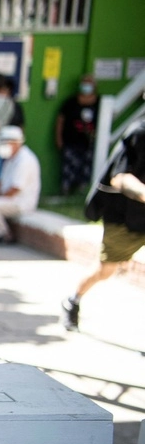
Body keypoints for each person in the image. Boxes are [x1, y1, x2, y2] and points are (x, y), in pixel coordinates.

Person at [62, 119, 145, 331]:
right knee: (106, 269)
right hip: (126, 218)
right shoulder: (139, 132)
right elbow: (119, 178)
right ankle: (73, 299)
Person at [55, 74, 99, 196]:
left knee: (86, 168)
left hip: (88, 143)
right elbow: (60, 120)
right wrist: (59, 138)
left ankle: (82, 193)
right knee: (68, 168)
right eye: (84, 83)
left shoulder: (99, 103)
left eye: (89, 83)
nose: (86, 86)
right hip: (71, 141)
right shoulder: (71, 102)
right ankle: (65, 192)